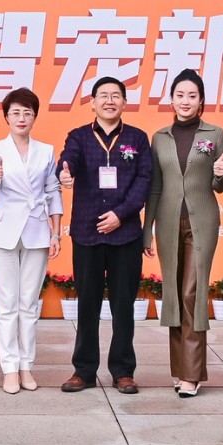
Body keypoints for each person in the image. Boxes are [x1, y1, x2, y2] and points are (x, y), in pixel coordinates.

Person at [57, 76, 152, 394]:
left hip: (126, 234)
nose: (109, 101)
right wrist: (64, 172)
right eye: (103, 96)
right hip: (87, 232)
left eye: (116, 96)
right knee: (87, 304)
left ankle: (123, 371)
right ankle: (83, 371)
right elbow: (68, 159)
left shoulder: (137, 138)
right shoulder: (79, 136)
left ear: (124, 102)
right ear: (93, 102)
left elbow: (145, 180)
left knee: (124, 305)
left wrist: (120, 215)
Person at [143, 69, 223, 398]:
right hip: (167, 223)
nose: (186, 101)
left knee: (192, 293)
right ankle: (179, 370)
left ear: (201, 100)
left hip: (201, 223)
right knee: (174, 296)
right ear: (171, 99)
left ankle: (192, 374)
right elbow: (155, 188)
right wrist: (147, 231)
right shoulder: (159, 137)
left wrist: (220, 173)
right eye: (180, 95)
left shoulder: (215, 133)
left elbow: (221, 186)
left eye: (192, 96)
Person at [0, 87, 63, 395]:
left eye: (27, 113)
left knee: (29, 303)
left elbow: (53, 190)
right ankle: (9, 368)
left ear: (35, 117)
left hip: (37, 229)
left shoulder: (46, 150)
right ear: (6, 116)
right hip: (4, 231)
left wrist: (56, 232)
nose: (21, 118)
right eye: (15, 112)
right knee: (6, 305)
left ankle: (26, 365)